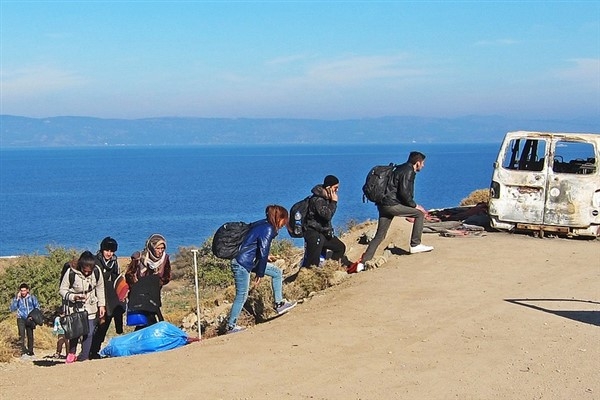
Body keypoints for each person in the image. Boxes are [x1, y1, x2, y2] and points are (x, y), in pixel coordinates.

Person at [226, 204, 297, 334]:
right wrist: (260, 273)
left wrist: (265, 258)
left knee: (276, 272)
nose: (284, 224)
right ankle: (231, 326)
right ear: (279, 218)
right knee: (241, 295)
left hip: (248, 261)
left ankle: (279, 303)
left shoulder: (262, 224)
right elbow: (263, 252)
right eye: (284, 220)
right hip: (243, 263)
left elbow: (255, 247)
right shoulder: (268, 229)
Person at [357, 151, 433, 270]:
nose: (423, 166)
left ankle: (362, 263)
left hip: (383, 204)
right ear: (418, 163)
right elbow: (404, 193)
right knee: (419, 214)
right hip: (392, 205)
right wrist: (415, 205)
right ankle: (415, 244)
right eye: (423, 163)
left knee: (380, 235)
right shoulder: (408, 171)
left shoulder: (398, 168)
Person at [59, 250, 106, 363]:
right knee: (75, 332)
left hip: (91, 306)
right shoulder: (71, 272)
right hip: (74, 307)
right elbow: (62, 290)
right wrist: (74, 297)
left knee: (89, 332)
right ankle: (71, 353)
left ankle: (84, 357)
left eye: (89, 271)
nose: (87, 273)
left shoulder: (96, 271)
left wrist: (102, 305)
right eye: (85, 271)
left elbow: (100, 288)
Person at [302, 175, 349, 268]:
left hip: (324, 233)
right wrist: (334, 202)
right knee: (312, 263)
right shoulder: (317, 200)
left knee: (340, 247)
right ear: (328, 188)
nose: (337, 190)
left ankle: (330, 268)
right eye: (335, 188)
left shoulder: (326, 198)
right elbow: (327, 215)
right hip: (314, 234)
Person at [125, 234, 171, 330]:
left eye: (162, 248)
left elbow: (166, 277)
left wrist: (156, 283)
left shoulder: (165, 259)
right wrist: (138, 286)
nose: (160, 251)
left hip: (153, 296)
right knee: (145, 321)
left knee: (149, 320)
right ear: (151, 247)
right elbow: (129, 275)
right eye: (158, 248)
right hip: (139, 296)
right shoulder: (139, 258)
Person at [89, 236, 125, 359]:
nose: (109, 253)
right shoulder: (94, 262)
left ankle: (95, 351)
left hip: (109, 298)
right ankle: (88, 351)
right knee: (94, 326)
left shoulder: (114, 262)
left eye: (112, 251)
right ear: (102, 250)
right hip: (95, 297)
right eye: (107, 250)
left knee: (104, 326)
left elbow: (116, 279)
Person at [9, 283, 40, 358]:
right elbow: (12, 309)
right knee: (21, 335)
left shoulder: (32, 298)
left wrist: (32, 316)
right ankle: (22, 351)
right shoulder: (17, 299)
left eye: (24, 290)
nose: (23, 292)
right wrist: (17, 299)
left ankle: (30, 351)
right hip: (20, 318)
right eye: (21, 291)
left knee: (30, 335)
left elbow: (37, 307)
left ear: (27, 290)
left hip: (30, 318)